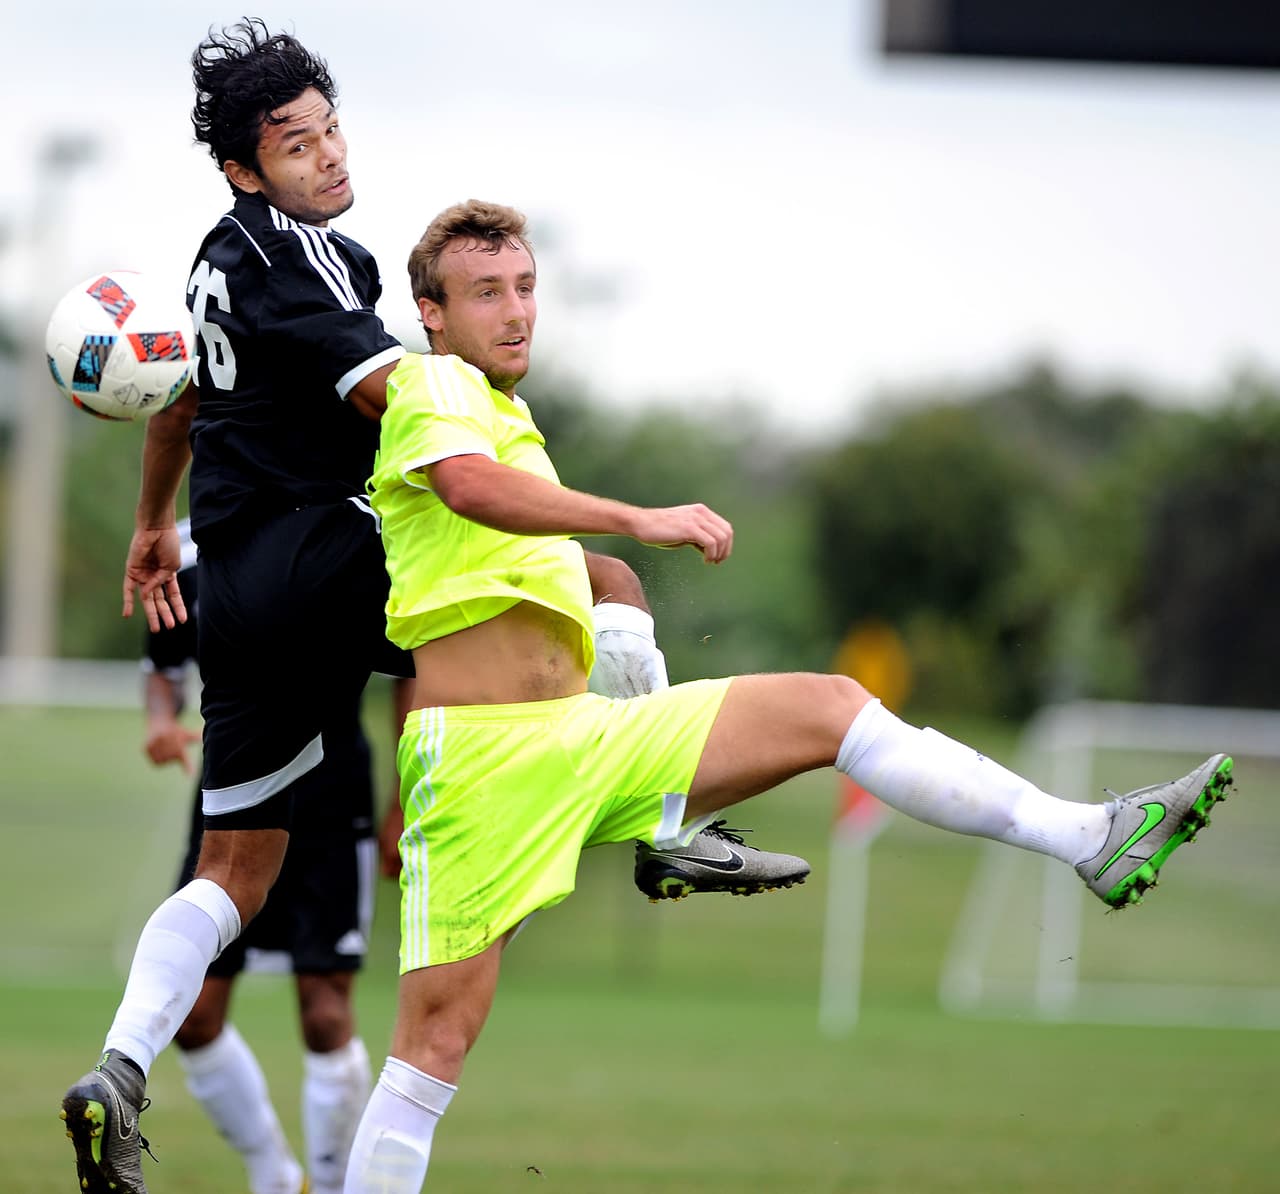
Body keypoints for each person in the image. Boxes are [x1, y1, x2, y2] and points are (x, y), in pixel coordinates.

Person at [337, 199, 1235, 1191]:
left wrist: (614, 594)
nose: (515, 312)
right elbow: (467, 489)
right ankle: (675, 830)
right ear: (430, 312)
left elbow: (513, 546)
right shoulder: (428, 385)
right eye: (484, 294)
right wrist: (640, 520)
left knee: (830, 705)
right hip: (478, 766)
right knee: (433, 1048)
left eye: (524, 288)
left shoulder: (509, 417)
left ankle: (1086, 837)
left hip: (583, 737)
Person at [59, 21, 805, 1194]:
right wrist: (492, 410)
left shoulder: (212, 260)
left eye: (330, 128)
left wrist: (154, 527)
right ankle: (663, 824)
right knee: (597, 578)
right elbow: (398, 404)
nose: (326, 156)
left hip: (235, 594)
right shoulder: (300, 253)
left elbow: (176, 406)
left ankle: (117, 1066)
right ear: (245, 169)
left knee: (234, 868)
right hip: (319, 548)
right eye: (294, 144)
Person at [141, 518, 398, 1194]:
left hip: (333, 791)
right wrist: (160, 723)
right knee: (192, 1015)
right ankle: (274, 1176)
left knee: (323, 1009)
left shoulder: (348, 529)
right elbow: (162, 668)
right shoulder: (185, 549)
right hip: (233, 787)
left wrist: (406, 794)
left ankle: (333, 1184)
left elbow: (415, 662)